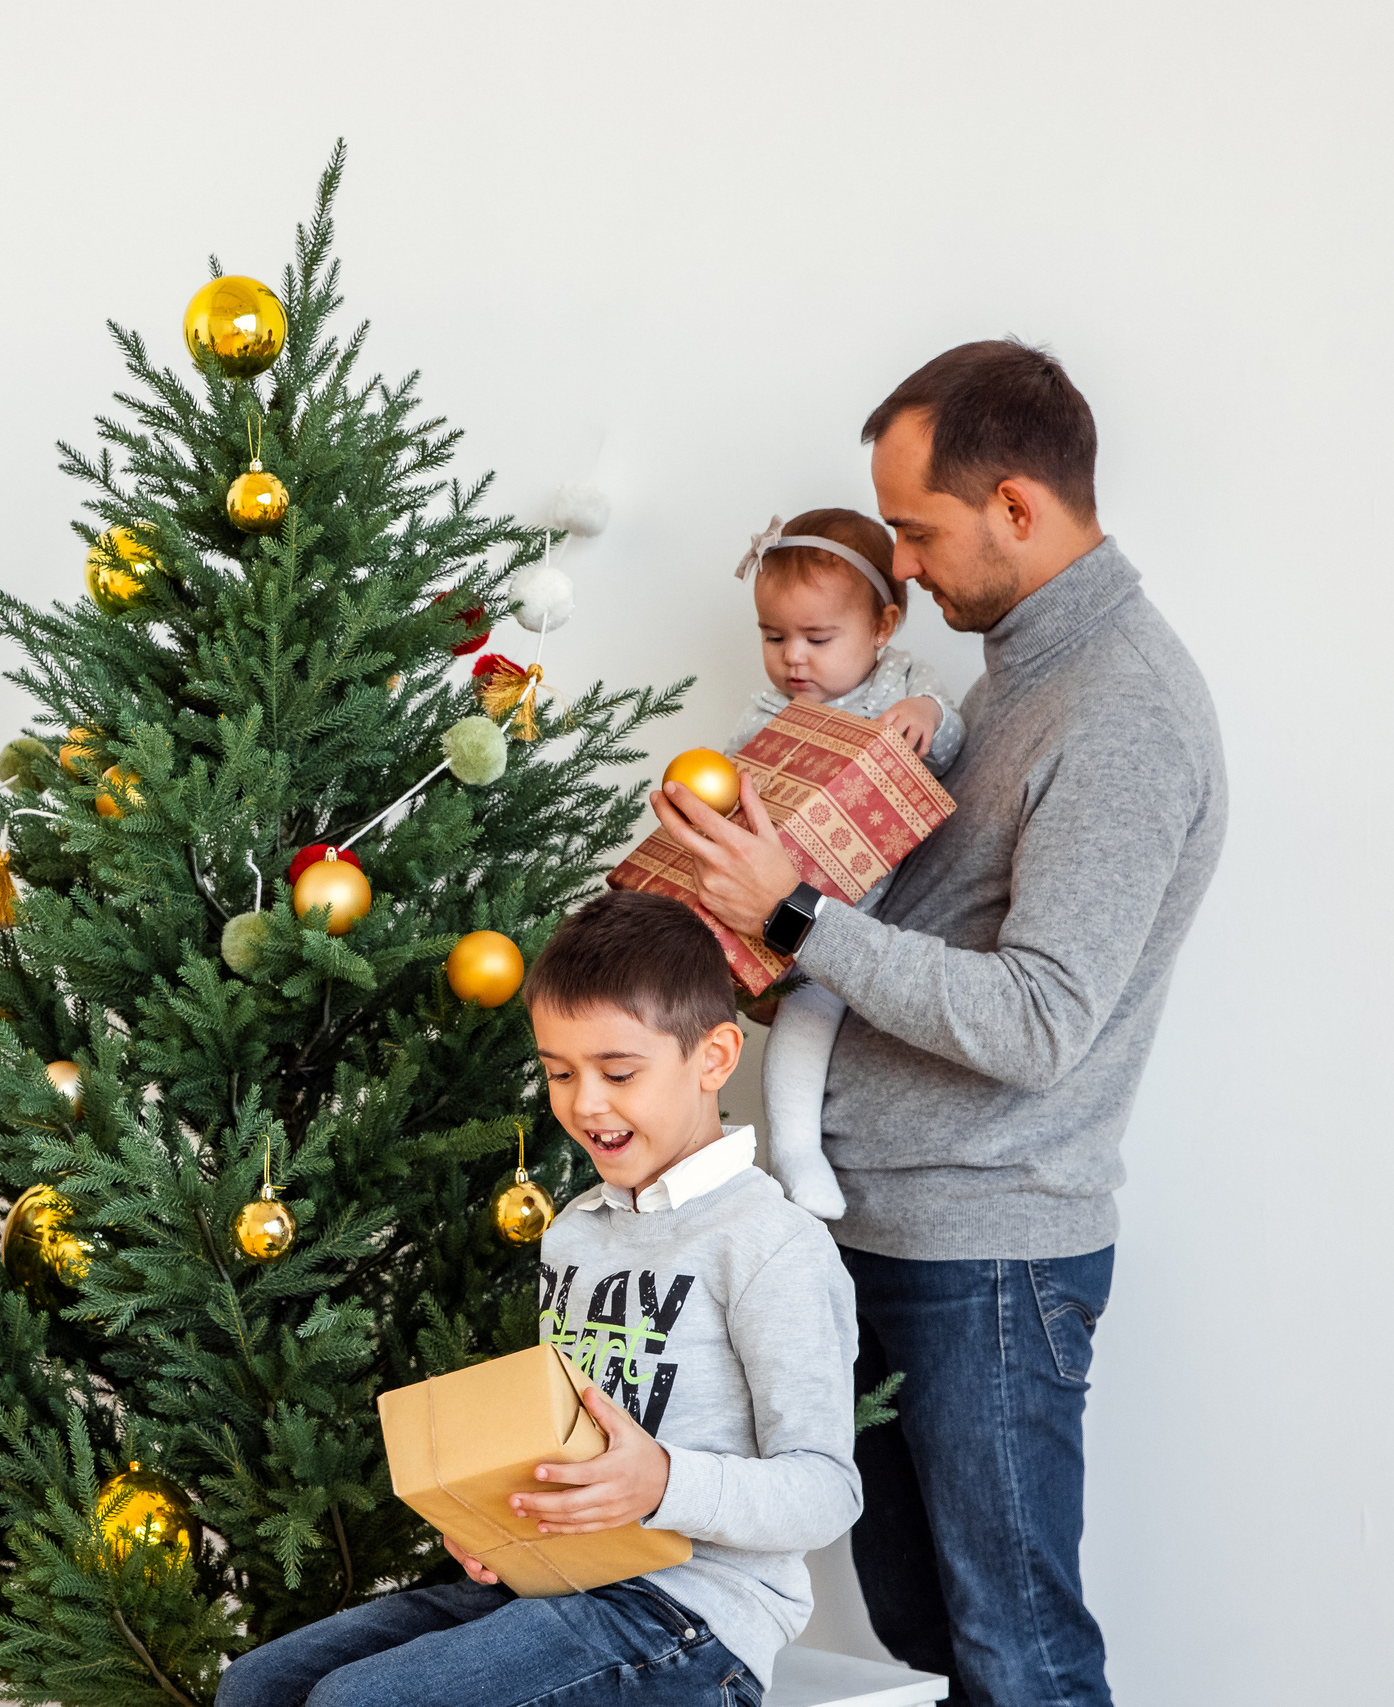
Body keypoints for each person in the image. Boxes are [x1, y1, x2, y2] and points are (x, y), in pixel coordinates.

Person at [650, 340, 1225, 1707]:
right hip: (887, 1230)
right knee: (925, 1643)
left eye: (915, 530)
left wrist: (792, 912)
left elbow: (1039, 1019)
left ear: (1018, 507)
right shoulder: (1013, 677)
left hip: (991, 1254)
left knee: (1017, 1657)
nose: (898, 570)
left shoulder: (1120, 708)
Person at [215, 890, 859, 1707]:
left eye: (618, 1071)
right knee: (258, 1685)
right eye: (559, 1071)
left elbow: (826, 1489)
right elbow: (556, 1428)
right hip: (551, 1580)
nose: (584, 1102)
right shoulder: (577, 1233)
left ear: (715, 1056)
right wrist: (493, 1524)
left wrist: (663, 1482)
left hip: (691, 1617)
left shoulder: (772, 1245)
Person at [725, 507, 964, 1219]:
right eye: (774, 636)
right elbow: (744, 785)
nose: (794, 657)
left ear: (882, 628)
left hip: (901, 905)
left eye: (818, 638)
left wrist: (929, 715)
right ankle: (793, 1152)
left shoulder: (903, 684)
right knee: (805, 1011)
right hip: (812, 912)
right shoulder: (770, 707)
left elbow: (952, 738)